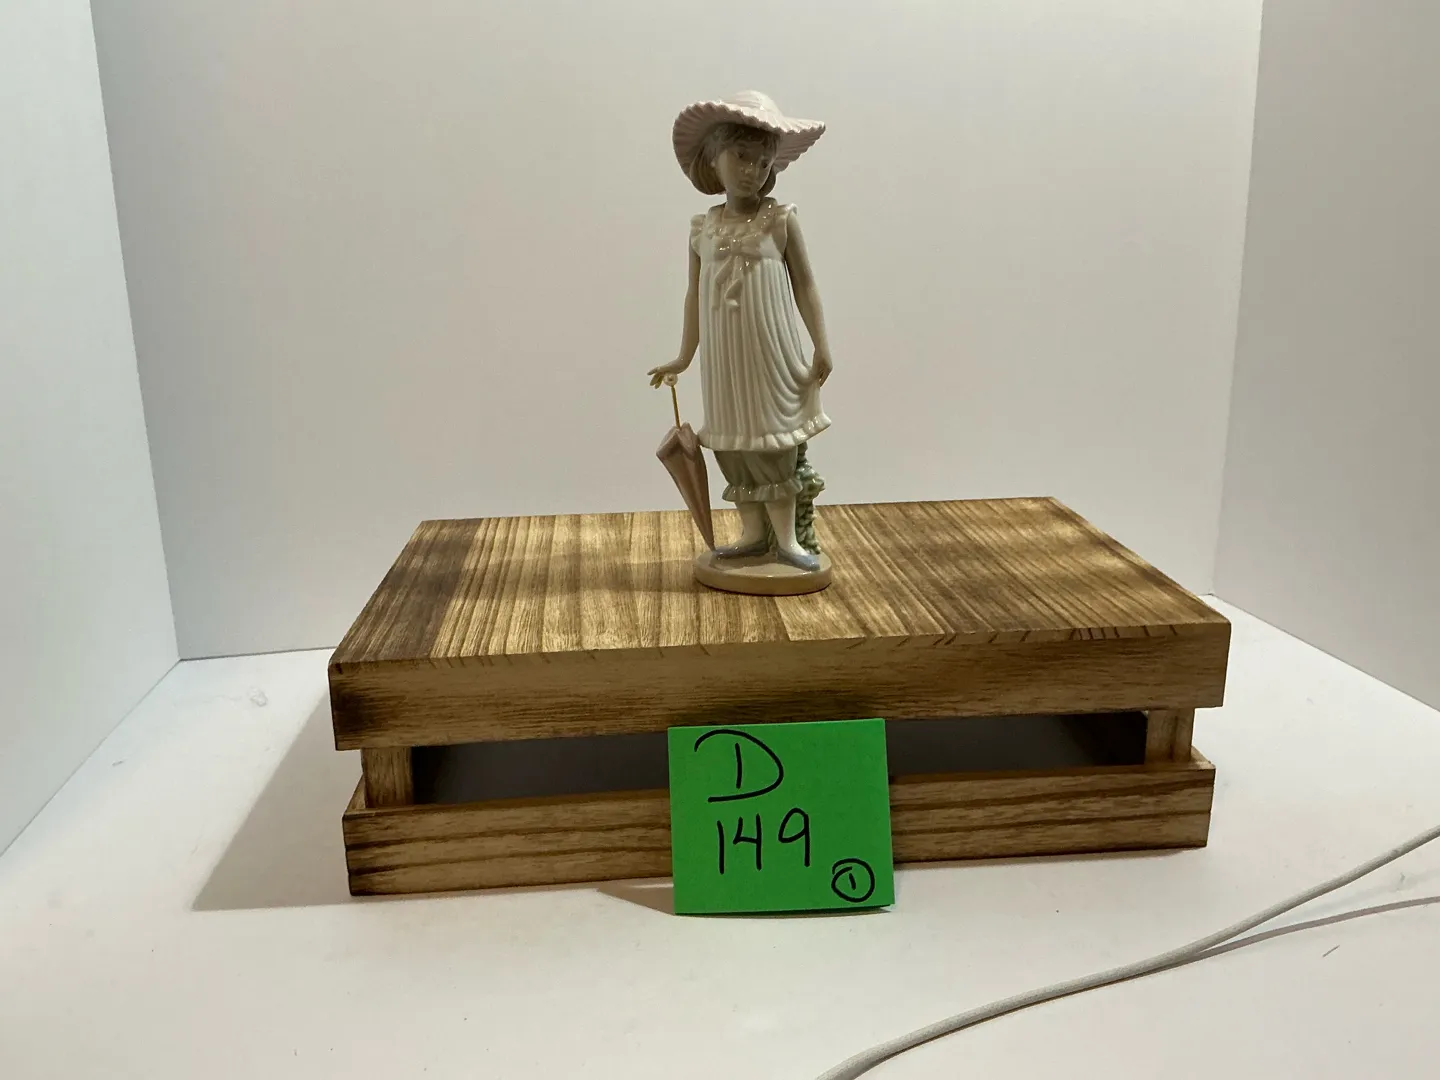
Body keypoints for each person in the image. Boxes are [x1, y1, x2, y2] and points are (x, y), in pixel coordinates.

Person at [649, 91, 834, 572]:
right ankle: (753, 536)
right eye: (742, 157)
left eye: (763, 161)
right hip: (724, 357)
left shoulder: (780, 220)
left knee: (773, 443)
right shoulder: (702, 228)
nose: (753, 170)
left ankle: (787, 540)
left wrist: (821, 344)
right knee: (733, 442)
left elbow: (806, 285)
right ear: (714, 158)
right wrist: (684, 356)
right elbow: (693, 295)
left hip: (770, 351)